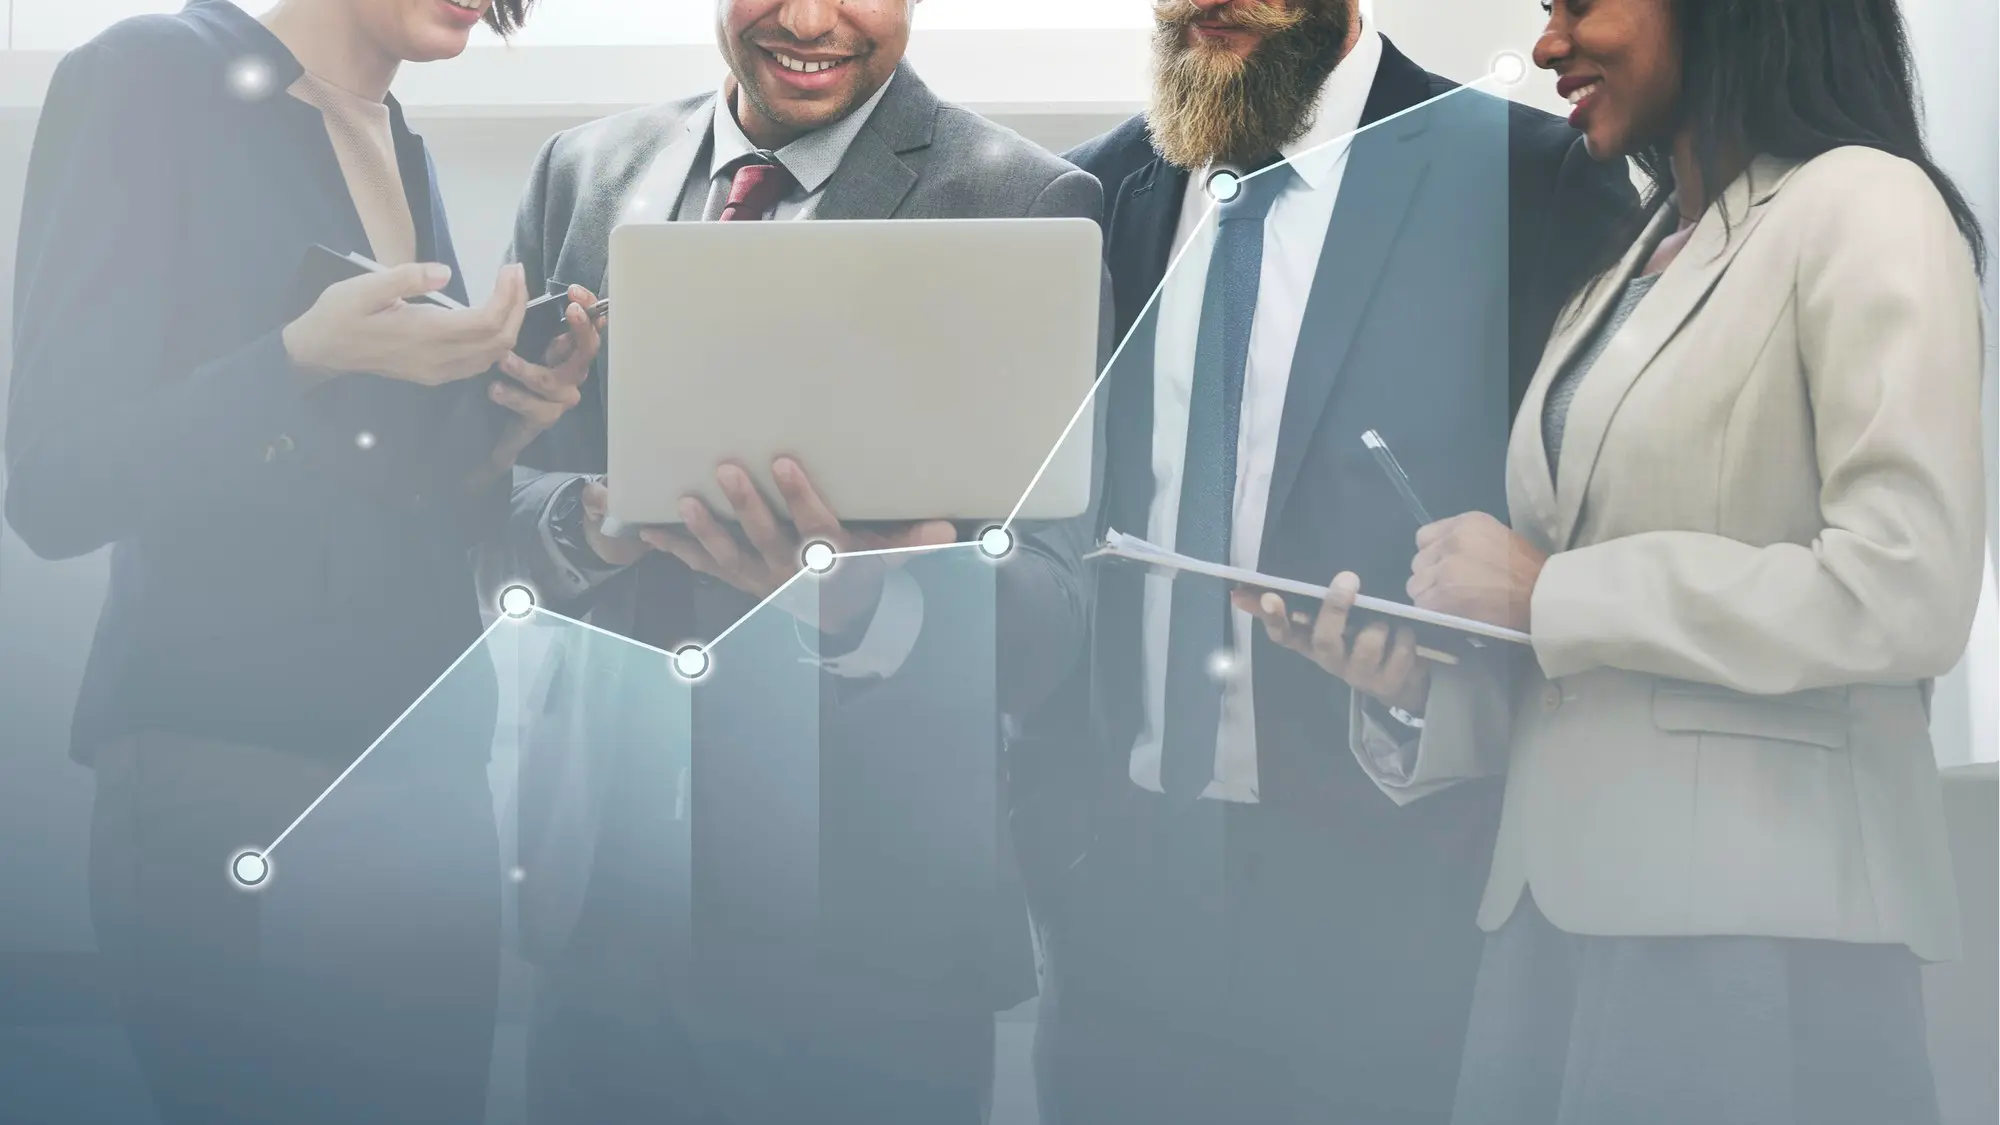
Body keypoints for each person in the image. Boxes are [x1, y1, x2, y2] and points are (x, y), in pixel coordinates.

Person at [1268, 1, 1988, 1122]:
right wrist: (1417, 686)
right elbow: (1587, 661)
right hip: (1558, 925)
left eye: (1578, 5)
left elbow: (1903, 589)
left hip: (1752, 935)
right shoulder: (1640, 250)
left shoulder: (1865, 205)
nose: (1548, 45)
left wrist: (1548, 592)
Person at [1014, 1, 1635, 1122]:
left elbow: (1600, 551)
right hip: (1113, 909)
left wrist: (1430, 687)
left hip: (1398, 916)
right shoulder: (1086, 195)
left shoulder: (1530, 180)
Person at [491, 1, 1102, 1121]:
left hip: (871, 939)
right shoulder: (579, 172)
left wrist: (868, 605)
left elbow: (1059, 611)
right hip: (611, 906)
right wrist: (594, 517)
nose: (810, 18)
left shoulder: (1024, 203)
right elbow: (493, 496)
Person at [3, 1, 597, 1122]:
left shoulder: (389, 131)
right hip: (231, 772)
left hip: (423, 778)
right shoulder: (148, 79)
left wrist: (501, 434)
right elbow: (52, 483)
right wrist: (300, 359)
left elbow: (381, 494)